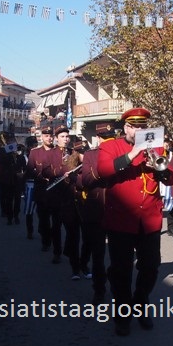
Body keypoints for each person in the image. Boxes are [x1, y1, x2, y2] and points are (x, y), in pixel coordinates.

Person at [97, 107, 173, 336]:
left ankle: (140, 302)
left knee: (151, 267)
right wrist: (133, 154)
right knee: (121, 271)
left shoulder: (156, 148)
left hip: (149, 219)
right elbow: (103, 170)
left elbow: (171, 179)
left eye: (143, 127)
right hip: (121, 220)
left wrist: (160, 169)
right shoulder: (111, 146)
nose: (140, 131)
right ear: (127, 128)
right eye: (136, 127)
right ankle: (122, 315)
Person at [78, 124, 112, 303]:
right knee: (98, 255)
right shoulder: (91, 155)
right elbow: (86, 179)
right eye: (104, 138)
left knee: (119, 255)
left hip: (117, 209)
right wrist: (106, 167)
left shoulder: (120, 153)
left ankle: (117, 285)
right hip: (95, 209)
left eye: (110, 137)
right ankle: (99, 289)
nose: (107, 141)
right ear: (98, 138)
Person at [49, 126, 83, 279]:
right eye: (62, 136)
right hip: (56, 196)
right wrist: (60, 172)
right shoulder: (51, 154)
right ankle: (57, 252)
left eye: (67, 136)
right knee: (56, 227)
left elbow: (83, 169)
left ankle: (75, 263)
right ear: (56, 138)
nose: (65, 139)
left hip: (70, 198)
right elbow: (45, 171)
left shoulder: (74, 153)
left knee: (73, 231)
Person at [27, 126, 61, 257]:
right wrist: (42, 177)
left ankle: (56, 247)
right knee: (43, 220)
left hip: (56, 192)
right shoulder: (35, 152)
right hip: (41, 191)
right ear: (41, 137)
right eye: (46, 136)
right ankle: (46, 241)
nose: (49, 138)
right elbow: (30, 170)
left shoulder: (58, 151)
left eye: (50, 136)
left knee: (56, 222)